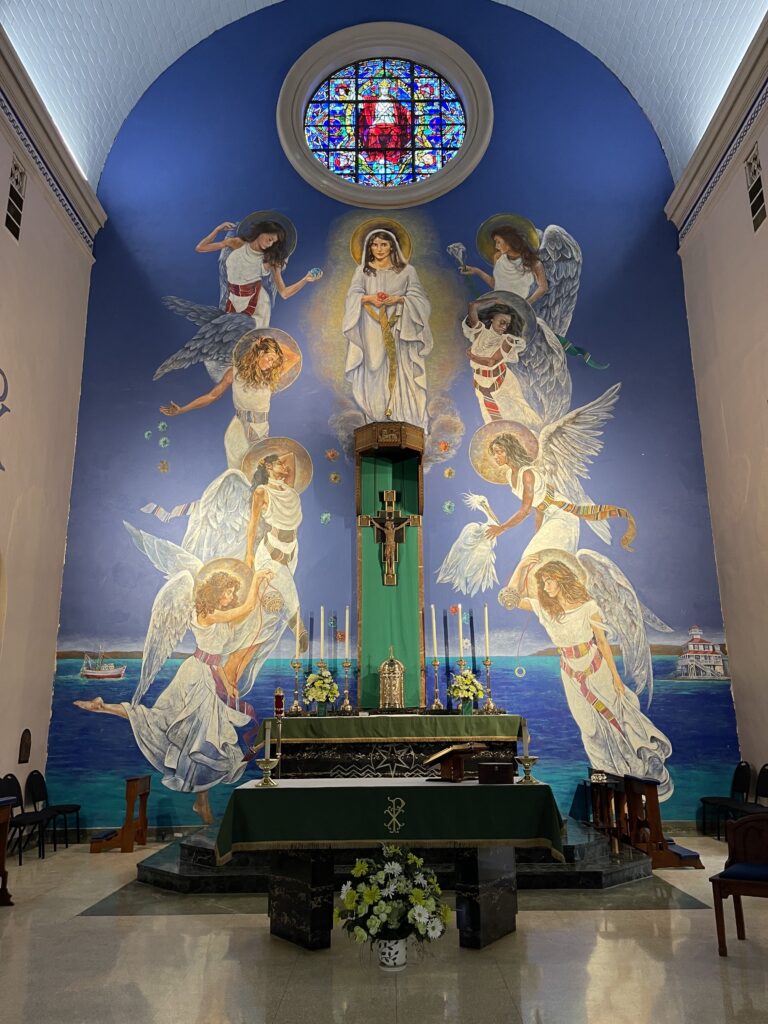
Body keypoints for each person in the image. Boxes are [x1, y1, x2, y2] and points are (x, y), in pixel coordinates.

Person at [74, 566, 274, 824]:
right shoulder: (206, 613)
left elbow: (217, 657)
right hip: (196, 676)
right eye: (227, 591)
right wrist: (256, 580)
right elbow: (243, 612)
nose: (230, 596)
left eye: (232, 592)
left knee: (202, 741)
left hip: (208, 674)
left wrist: (227, 683)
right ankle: (105, 706)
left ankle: (202, 803)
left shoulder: (218, 615)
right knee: (174, 726)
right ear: (215, 592)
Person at [500, 554, 673, 797]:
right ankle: (608, 778)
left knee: (620, 712)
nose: (545, 586)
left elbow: (602, 642)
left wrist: (616, 679)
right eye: (543, 582)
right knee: (589, 727)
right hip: (569, 673)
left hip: (596, 666)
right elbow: (509, 599)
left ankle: (648, 755)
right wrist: (522, 565)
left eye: (549, 581)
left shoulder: (588, 607)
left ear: (561, 579)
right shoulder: (544, 608)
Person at [160, 335, 299, 468]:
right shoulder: (235, 372)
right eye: (269, 359)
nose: (270, 364)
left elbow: (295, 357)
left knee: (261, 473)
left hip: (261, 428)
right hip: (239, 431)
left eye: (274, 361)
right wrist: (183, 409)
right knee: (243, 474)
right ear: (260, 353)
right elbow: (212, 396)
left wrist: (267, 341)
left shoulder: (269, 377)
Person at [343, 228, 432, 428]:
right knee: (373, 367)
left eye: (384, 244)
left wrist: (399, 299)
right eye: (374, 244)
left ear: (392, 246)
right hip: (371, 326)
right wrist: (369, 298)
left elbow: (420, 300)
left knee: (402, 368)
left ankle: (404, 416)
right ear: (369, 247)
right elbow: (353, 296)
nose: (379, 249)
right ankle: (376, 416)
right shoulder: (362, 271)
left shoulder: (408, 271)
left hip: (400, 327)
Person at [195, 218, 321, 326]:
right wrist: (218, 229)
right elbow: (201, 248)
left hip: (257, 305)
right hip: (233, 300)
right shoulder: (237, 243)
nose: (270, 244)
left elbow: (284, 293)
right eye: (270, 239)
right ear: (261, 231)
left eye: (274, 242)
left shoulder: (270, 261)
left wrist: (305, 279)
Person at [462, 299, 542, 429]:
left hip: (502, 381)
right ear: (493, 319)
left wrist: (472, 356)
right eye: (502, 322)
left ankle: (534, 431)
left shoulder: (508, 340)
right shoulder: (479, 332)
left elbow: (491, 362)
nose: (504, 327)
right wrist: (494, 300)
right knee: (489, 417)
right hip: (480, 382)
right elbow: (472, 305)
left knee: (518, 410)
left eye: (507, 324)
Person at [462, 225, 548, 304]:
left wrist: (527, 302)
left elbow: (543, 287)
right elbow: (496, 284)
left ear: (509, 241)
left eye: (498, 242)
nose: (496, 246)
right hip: (497, 304)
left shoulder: (534, 263)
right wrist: (477, 271)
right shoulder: (498, 258)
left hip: (516, 307)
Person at [358, 80, 411, 164]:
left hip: (392, 124)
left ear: (389, 90)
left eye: (386, 89)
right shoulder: (373, 101)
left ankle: (392, 157)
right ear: (380, 90)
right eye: (382, 89)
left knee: (396, 133)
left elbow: (403, 111)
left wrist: (411, 114)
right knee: (372, 133)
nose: (384, 90)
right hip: (377, 124)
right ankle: (376, 157)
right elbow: (362, 102)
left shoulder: (394, 102)